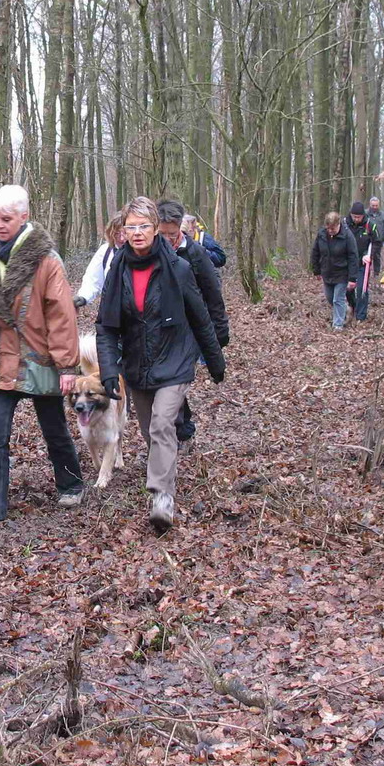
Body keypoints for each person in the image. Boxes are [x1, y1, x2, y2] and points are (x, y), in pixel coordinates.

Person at [96, 197, 225, 532]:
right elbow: (106, 327)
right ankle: (164, 475)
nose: (137, 233)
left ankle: (162, 497)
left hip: (175, 358)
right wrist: (108, 370)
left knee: (162, 423)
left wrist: (214, 360)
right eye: (131, 227)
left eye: (144, 226)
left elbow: (200, 317)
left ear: (155, 229)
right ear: (123, 231)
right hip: (137, 363)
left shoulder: (178, 268)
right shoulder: (117, 272)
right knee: (149, 431)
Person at [0, 185, 84, 526]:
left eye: (6, 219)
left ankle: (71, 485)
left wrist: (67, 365)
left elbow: (61, 314)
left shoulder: (47, 259)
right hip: (3, 359)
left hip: (40, 356)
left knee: (54, 427)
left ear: (24, 217)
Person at [158, 199, 229, 443]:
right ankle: (181, 427)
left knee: (176, 378)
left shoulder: (196, 252)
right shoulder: (151, 253)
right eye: (162, 234)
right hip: (162, 328)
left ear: (180, 227)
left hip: (190, 329)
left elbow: (213, 294)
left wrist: (220, 332)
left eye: (172, 234)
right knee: (166, 381)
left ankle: (183, 431)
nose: (167, 239)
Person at [310, 210, 359, 331]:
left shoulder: (347, 236)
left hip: (342, 273)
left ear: (338, 225)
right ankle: (345, 309)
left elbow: (353, 257)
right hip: (327, 272)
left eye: (333, 228)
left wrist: (352, 278)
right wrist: (316, 270)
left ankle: (338, 325)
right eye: (328, 228)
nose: (330, 231)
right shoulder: (321, 234)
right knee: (330, 298)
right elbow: (315, 252)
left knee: (338, 299)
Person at [75, 215, 124, 308]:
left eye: (125, 233)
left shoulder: (142, 252)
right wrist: (83, 297)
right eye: (117, 233)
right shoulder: (106, 251)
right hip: (111, 309)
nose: (121, 238)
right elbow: (93, 279)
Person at [345, 201, 380, 322]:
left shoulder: (370, 225)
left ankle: (361, 316)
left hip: (363, 262)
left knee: (361, 289)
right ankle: (353, 305)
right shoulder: (344, 224)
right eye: (354, 216)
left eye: (358, 217)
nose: (356, 219)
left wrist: (370, 255)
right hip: (347, 262)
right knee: (348, 288)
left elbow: (377, 242)